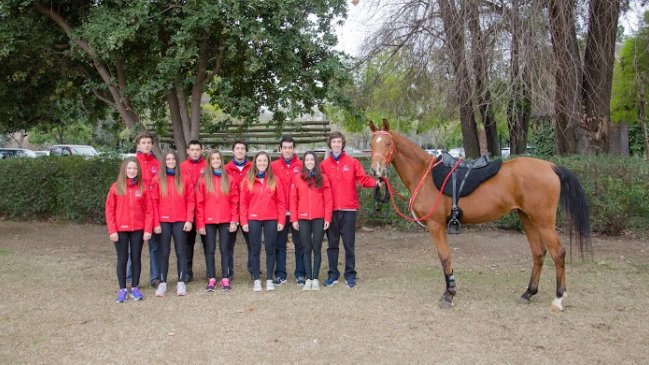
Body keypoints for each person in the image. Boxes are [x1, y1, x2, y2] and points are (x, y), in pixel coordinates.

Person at [320, 131, 380, 288]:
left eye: (339, 142)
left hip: (349, 210)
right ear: (330, 144)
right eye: (333, 142)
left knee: (348, 244)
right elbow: (318, 186)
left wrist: (375, 183)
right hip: (331, 211)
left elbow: (362, 179)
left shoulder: (352, 162)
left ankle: (350, 275)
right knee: (332, 245)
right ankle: (333, 274)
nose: (336, 145)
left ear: (342, 144)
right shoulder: (324, 165)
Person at [105, 157, 153, 303]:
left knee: (136, 258)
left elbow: (149, 211)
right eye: (129, 168)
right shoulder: (116, 187)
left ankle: (135, 287)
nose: (132, 171)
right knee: (122, 259)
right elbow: (109, 210)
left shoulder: (142, 187)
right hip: (120, 229)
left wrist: (148, 230)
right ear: (124, 170)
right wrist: (112, 230)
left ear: (138, 171)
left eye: (135, 169)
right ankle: (122, 289)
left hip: (138, 229)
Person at [239, 151, 286, 292]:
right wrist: (244, 221)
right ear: (255, 162)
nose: (262, 163)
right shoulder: (248, 180)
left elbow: (281, 202)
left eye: (265, 161)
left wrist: (281, 220)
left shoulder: (274, 180)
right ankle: (257, 280)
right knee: (255, 250)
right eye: (259, 161)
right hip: (253, 219)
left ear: (268, 163)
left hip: (271, 219)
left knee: (270, 249)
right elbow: (243, 203)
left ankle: (270, 279)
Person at [151, 149, 194, 297]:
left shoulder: (185, 178)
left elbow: (190, 200)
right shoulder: (157, 179)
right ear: (164, 162)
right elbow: (154, 203)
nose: (170, 161)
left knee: (181, 251)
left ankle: (181, 282)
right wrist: (156, 223)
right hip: (163, 221)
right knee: (164, 252)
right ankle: (162, 282)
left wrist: (189, 219)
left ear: (177, 161)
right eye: (168, 159)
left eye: (173, 159)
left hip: (180, 221)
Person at [196, 150, 239, 292]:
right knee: (209, 250)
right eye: (212, 159)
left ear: (221, 161)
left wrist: (234, 221)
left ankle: (226, 278)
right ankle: (211, 278)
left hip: (226, 220)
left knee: (225, 249)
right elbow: (199, 204)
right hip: (208, 221)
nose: (215, 161)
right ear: (209, 162)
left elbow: (234, 201)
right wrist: (200, 223)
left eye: (217, 159)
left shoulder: (229, 179)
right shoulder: (203, 180)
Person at [290, 151, 332, 291]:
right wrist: (294, 219)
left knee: (317, 248)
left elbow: (328, 199)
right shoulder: (297, 178)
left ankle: (315, 278)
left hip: (319, 218)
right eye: (306, 160)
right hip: (302, 218)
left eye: (311, 159)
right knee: (306, 248)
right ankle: (308, 277)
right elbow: (293, 200)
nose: (309, 162)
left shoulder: (323, 178)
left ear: (315, 162)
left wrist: (327, 217)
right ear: (303, 162)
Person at [270, 135, 305, 286]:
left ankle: (300, 274)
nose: (287, 150)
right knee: (279, 244)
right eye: (285, 147)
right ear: (281, 149)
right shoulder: (274, 166)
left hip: (298, 212)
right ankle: (280, 273)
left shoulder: (302, 164)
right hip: (280, 212)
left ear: (294, 148)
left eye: (290, 147)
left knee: (300, 244)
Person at [133, 132, 161, 289]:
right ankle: (130, 278)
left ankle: (155, 277)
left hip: (153, 209)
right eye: (143, 142)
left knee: (155, 246)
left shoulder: (157, 164)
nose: (146, 145)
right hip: (137, 209)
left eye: (149, 142)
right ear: (138, 144)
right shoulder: (133, 163)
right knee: (134, 247)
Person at [179, 140, 208, 283]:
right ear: (188, 151)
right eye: (192, 149)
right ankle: (187, 272)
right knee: (187, 243)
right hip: (187, 212)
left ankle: (211, 272)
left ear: (202, 150)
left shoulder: (208, 166)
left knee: (208, 243)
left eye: (198, 149)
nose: (195, 152)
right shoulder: (182, 167)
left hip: (205, 211)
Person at [224, 140, 252, 279]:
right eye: (237, 148)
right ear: (233, 151)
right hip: (231, 212)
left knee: (253, 243)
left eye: (242, 148)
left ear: (246, 151)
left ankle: (254, 269)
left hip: (249, 211)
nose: (240, 151)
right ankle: (228, 271)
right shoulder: (225, 169)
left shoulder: (253, 167)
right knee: (228, 245)